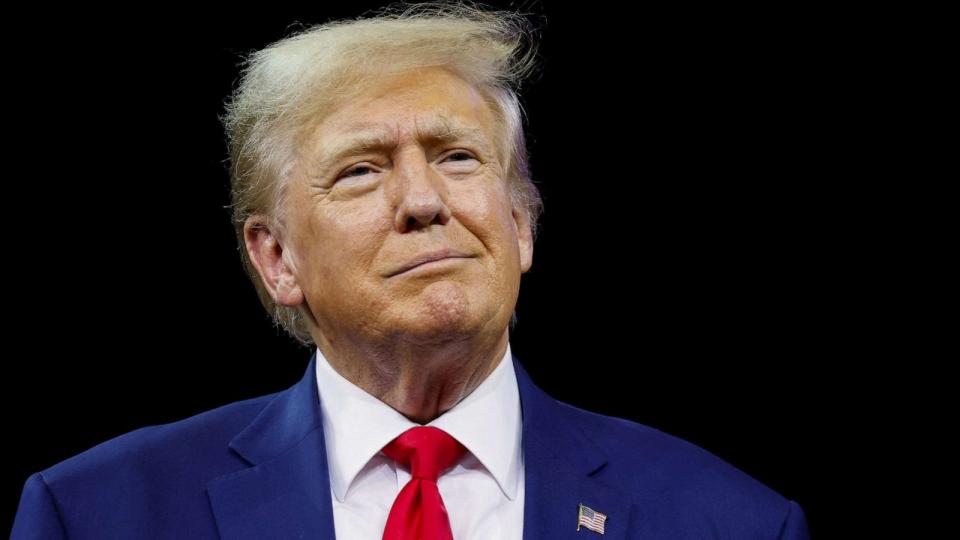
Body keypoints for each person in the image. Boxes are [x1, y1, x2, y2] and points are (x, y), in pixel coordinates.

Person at [11, 3, 810, 539]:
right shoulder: (97, 513)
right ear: (276, 258)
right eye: (361, 170)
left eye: (458, 157)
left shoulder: (728, 520)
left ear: (522, 225)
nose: (424, 201)